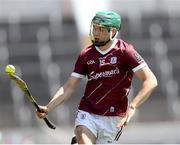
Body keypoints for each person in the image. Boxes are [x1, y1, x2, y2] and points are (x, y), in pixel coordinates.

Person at [36, 10, 158, 144]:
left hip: (114, 118)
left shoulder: (125, 51)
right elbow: (69, 87)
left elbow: (151, 80)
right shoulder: (86, 55)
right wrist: (49, 107)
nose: (96, 33)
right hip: (88, 112)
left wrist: (133, 106)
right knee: (83, 135)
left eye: (101, 29)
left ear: (113, 31)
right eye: (95, 28)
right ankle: (80, 137)